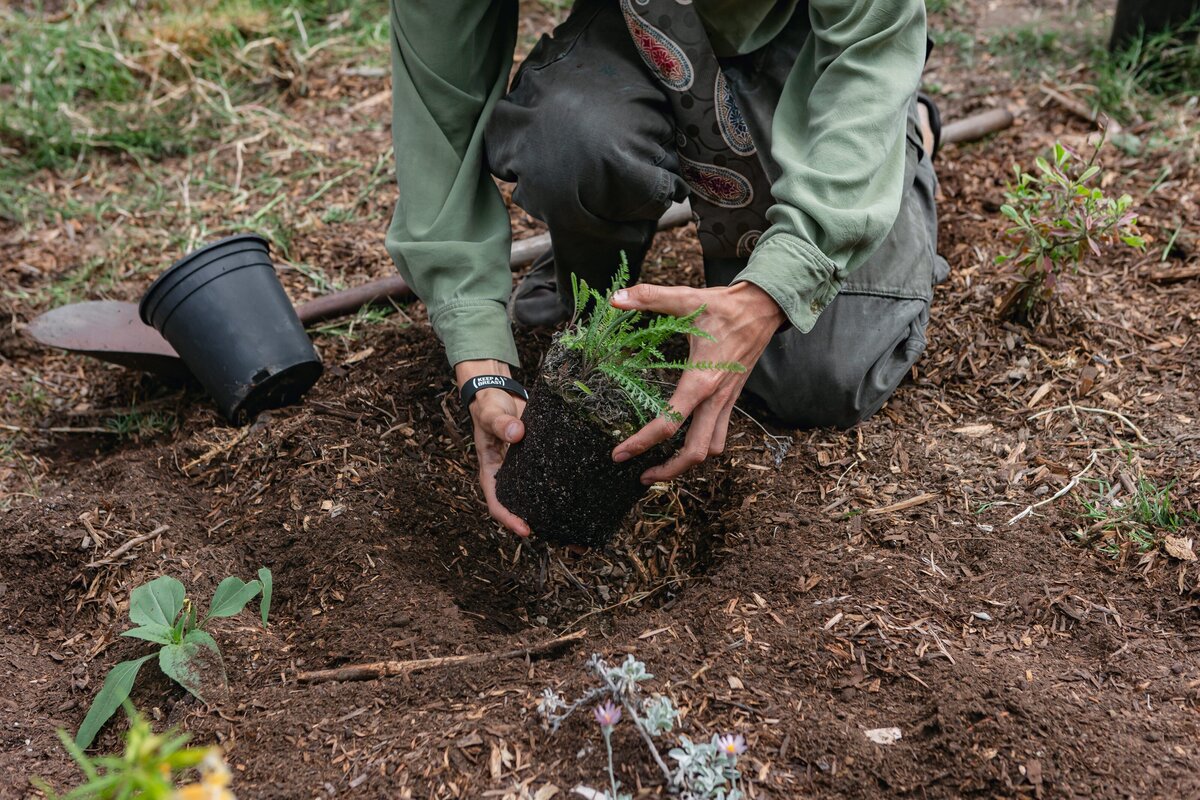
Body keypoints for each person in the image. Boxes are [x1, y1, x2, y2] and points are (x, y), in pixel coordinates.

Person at [385, 0, 946, 537]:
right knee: (570, 141)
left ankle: (909, 133)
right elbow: (440, 113)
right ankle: (604, 261)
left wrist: (768, 293)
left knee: (819, 378)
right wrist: (480, 364)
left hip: (815, 47)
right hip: (643, 27)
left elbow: (868, 49)